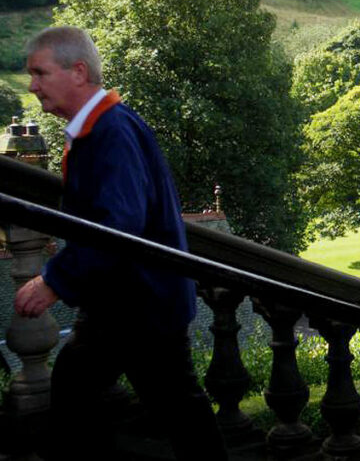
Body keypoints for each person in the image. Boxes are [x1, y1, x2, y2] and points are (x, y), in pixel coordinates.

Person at [14, 26, 225, 460]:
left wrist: (54, 279)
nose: (32, 85)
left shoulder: (111, 131)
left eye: (39, 73)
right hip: (128, 300)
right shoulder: (103, 126)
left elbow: (120, 224)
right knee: (85, 394)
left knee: (172, 411)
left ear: (77, 71)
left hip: (141, 302)